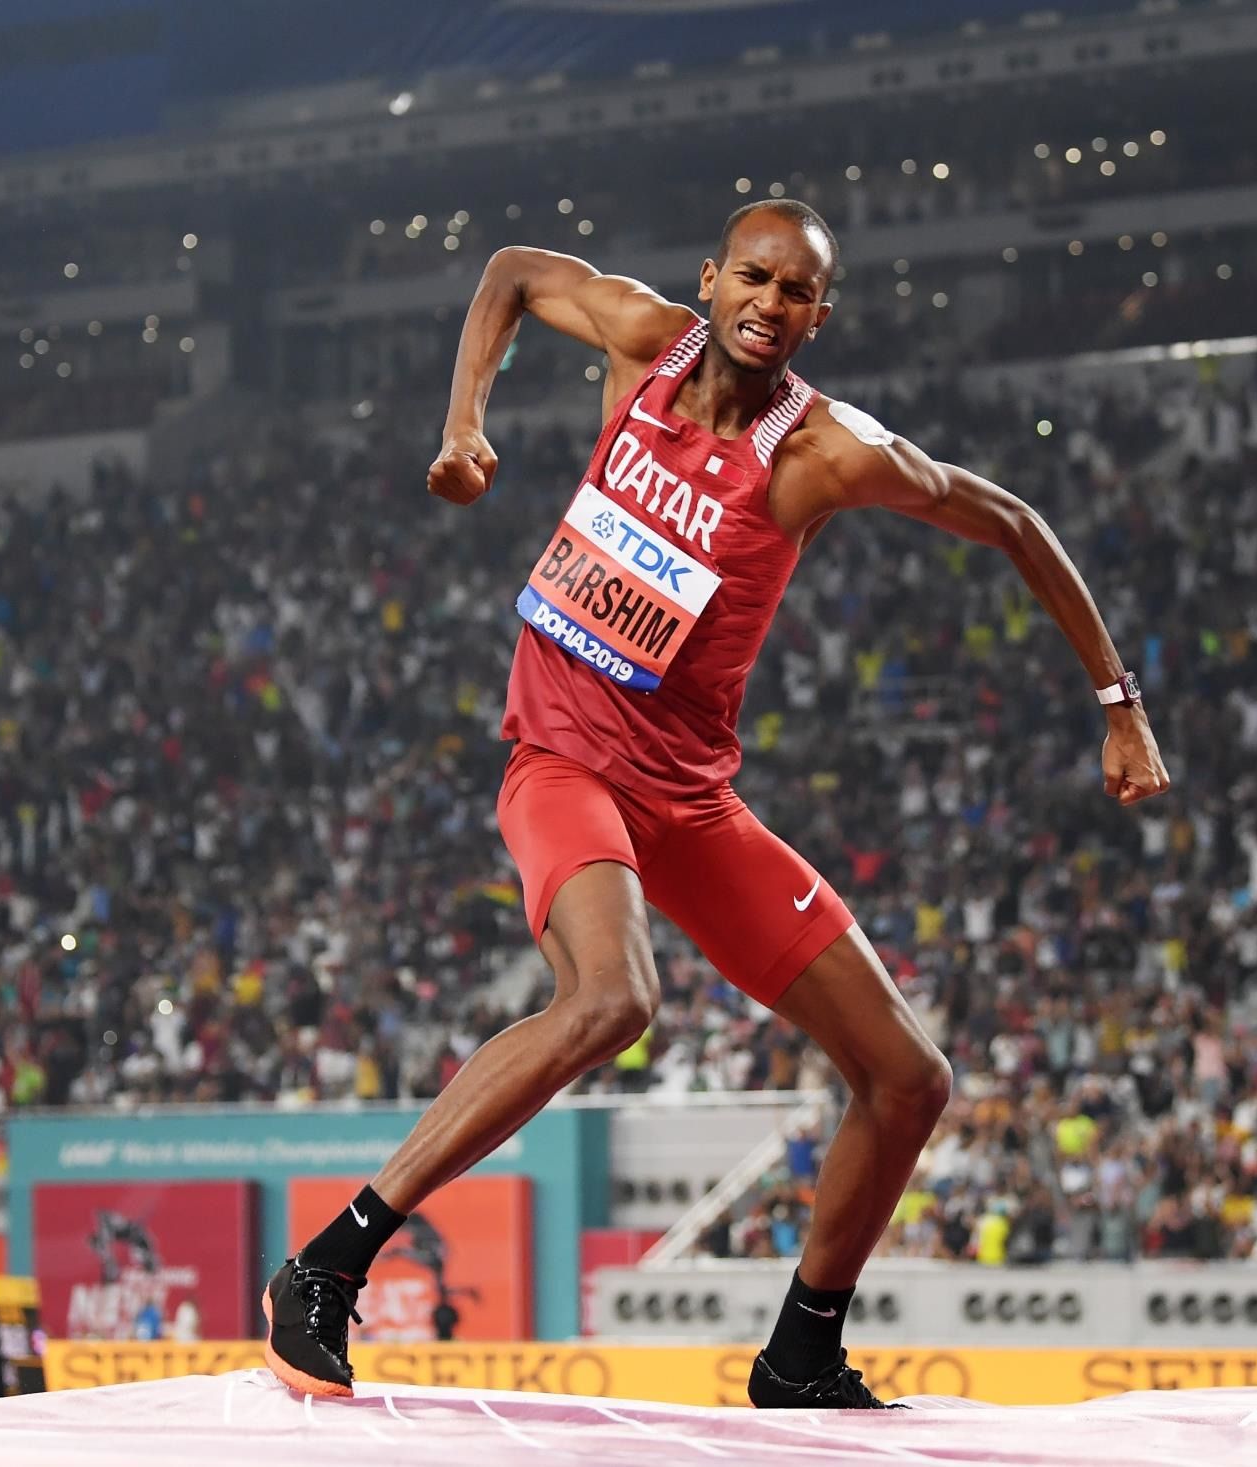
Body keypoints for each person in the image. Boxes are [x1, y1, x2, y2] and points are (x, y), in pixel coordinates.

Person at [260, 199, 1171, 1408]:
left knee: (909, 1079)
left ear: (817, 317)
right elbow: (515, 271)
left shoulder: (822, 453)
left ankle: (801, 1354)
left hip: (688, 805)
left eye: (796, 293)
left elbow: (1010, 520)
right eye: (753, 276)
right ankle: (328, 1265)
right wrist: (466, 428)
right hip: (565, 766)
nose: (769, 304)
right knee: (612, 999)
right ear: (710, 278)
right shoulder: (642, 342)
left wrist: (1119, 701)